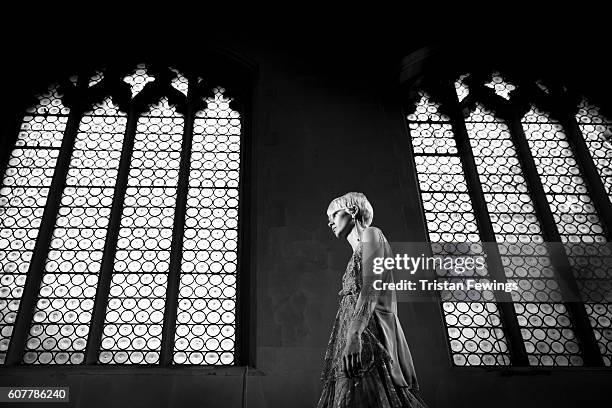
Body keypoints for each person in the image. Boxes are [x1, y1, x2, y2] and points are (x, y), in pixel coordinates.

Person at [317, 192, 428, 408]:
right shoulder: (357, 249)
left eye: (334, 214)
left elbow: (371, 288)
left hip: (369, 333)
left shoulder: (372, 234)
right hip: (356, 331)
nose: (329, 222)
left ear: (353, 211)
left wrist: (354, 334)